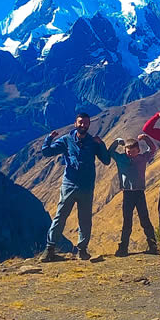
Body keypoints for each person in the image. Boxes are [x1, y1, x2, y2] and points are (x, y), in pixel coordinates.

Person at [38, 112, 112, 261]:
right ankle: (49, 249)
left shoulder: (93, 142)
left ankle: (82, 250)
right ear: (75, 123)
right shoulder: (66, 140)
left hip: (86, 187)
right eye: (80, 122)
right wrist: (49, 139)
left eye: (86, 123)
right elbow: (47, 152)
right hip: (69, 185)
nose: (83, 125)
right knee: (60, 217)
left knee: (84, 220)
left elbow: (106, 160)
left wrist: (101, 144)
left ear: (89, 124)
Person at [108, 134, 159, 257]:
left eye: (133, 152)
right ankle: (123, 248)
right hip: (127, 193)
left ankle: (153, 245)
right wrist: (117, 142)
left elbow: (153, 149)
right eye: (128, 151)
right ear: (125, 150)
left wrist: (146, 138)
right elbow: (109, 151)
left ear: (138, 151)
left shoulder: (142, 158)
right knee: (127, 221)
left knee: (144, 219)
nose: (130, 154)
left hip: (139, 193)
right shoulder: (121, 158)